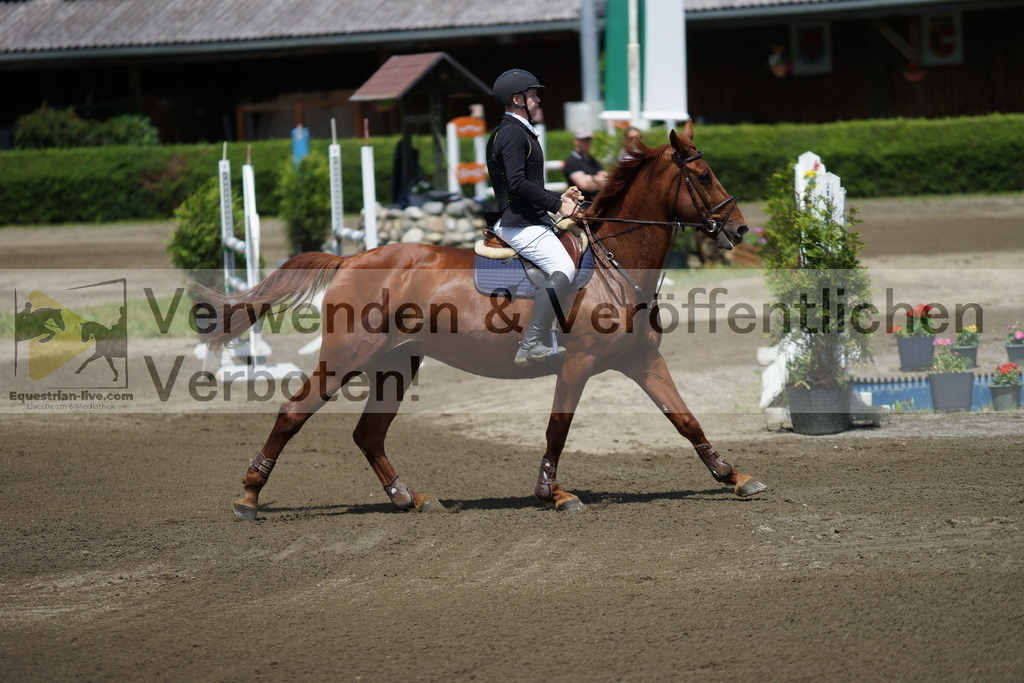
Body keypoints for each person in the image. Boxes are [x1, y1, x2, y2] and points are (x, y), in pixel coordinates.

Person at [486, 68, 584, 366]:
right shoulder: (512, 133)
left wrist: (561, 199)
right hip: (518, 222)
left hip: (531, 218)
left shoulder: (518, 131)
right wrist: (557, 204)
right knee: (564, 267)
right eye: (532, 95)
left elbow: (528, 182)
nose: (538, 99)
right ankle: (531, 342)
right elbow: (516, 183)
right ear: (517, 99)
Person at [563, 127, 608, 204]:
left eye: (588, 140)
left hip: (595, 204)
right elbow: (584, 184)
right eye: (583, 140)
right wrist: (599, 180)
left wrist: (591, 179)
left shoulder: (592, 160)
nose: (587, 142)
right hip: (580, 205)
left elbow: (607, 180)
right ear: (576, 141)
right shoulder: (572, 161)